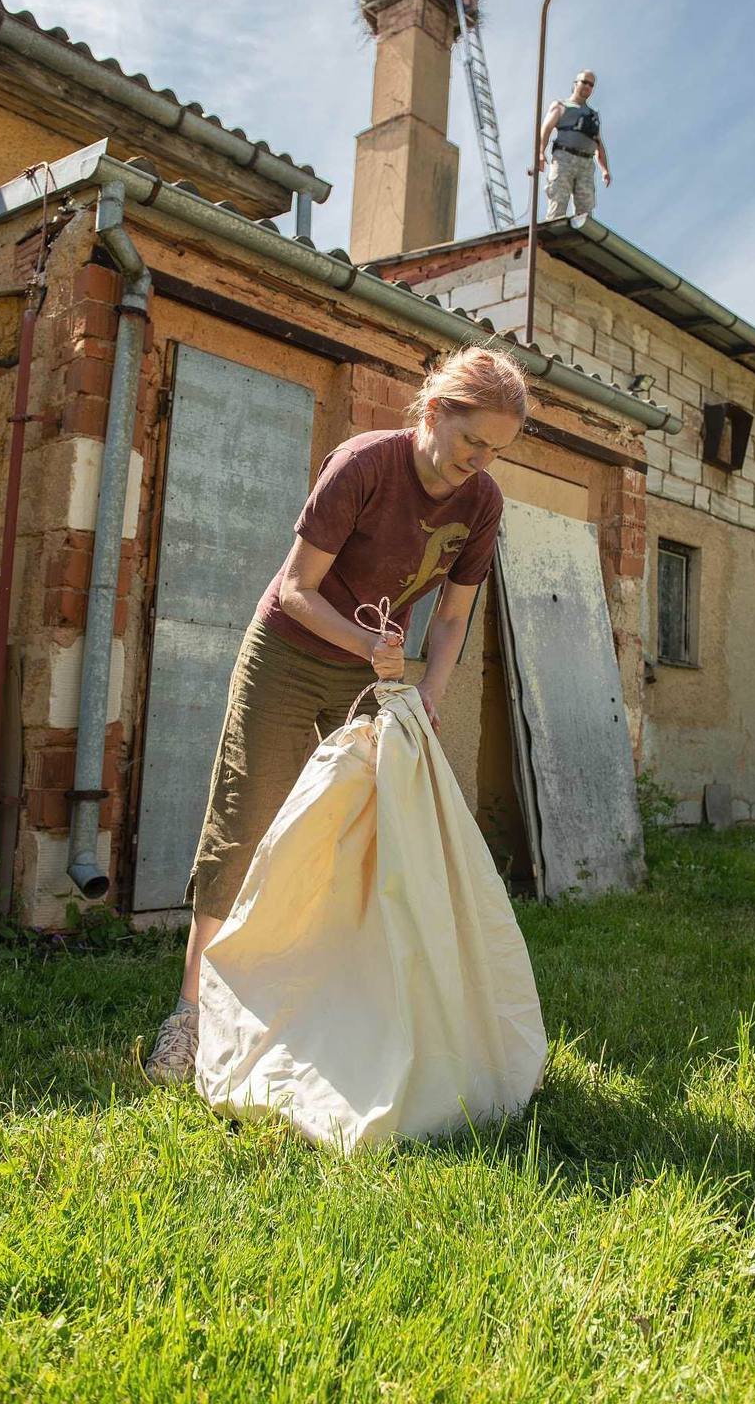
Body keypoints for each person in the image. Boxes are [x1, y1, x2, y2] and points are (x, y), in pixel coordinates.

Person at [144, 345, 529, 1084]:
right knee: (247, 823)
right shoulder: (364, 466)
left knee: (358, 836)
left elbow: (452, 618)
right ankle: (191, 1014)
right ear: (432, 412)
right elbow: (296, 589)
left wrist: (427, 694)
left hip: (371, 680)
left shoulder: (481, 503)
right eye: (471, 439)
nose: (479, 460)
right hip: (289, 656)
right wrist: (366, 643)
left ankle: (319, 1008)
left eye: (497, 450)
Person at [538, 69, 611, 220]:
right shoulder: (561, 105)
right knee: (558, 203)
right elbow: (546, 129)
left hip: (586, 164)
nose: (587, 87)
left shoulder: (592, 115)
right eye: (584, 82)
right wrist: (540, 152)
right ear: (576, 83)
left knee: (585, 213)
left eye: (591, 85)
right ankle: (553, 240)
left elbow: (598, 144)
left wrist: (604, 169)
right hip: (564, 158)